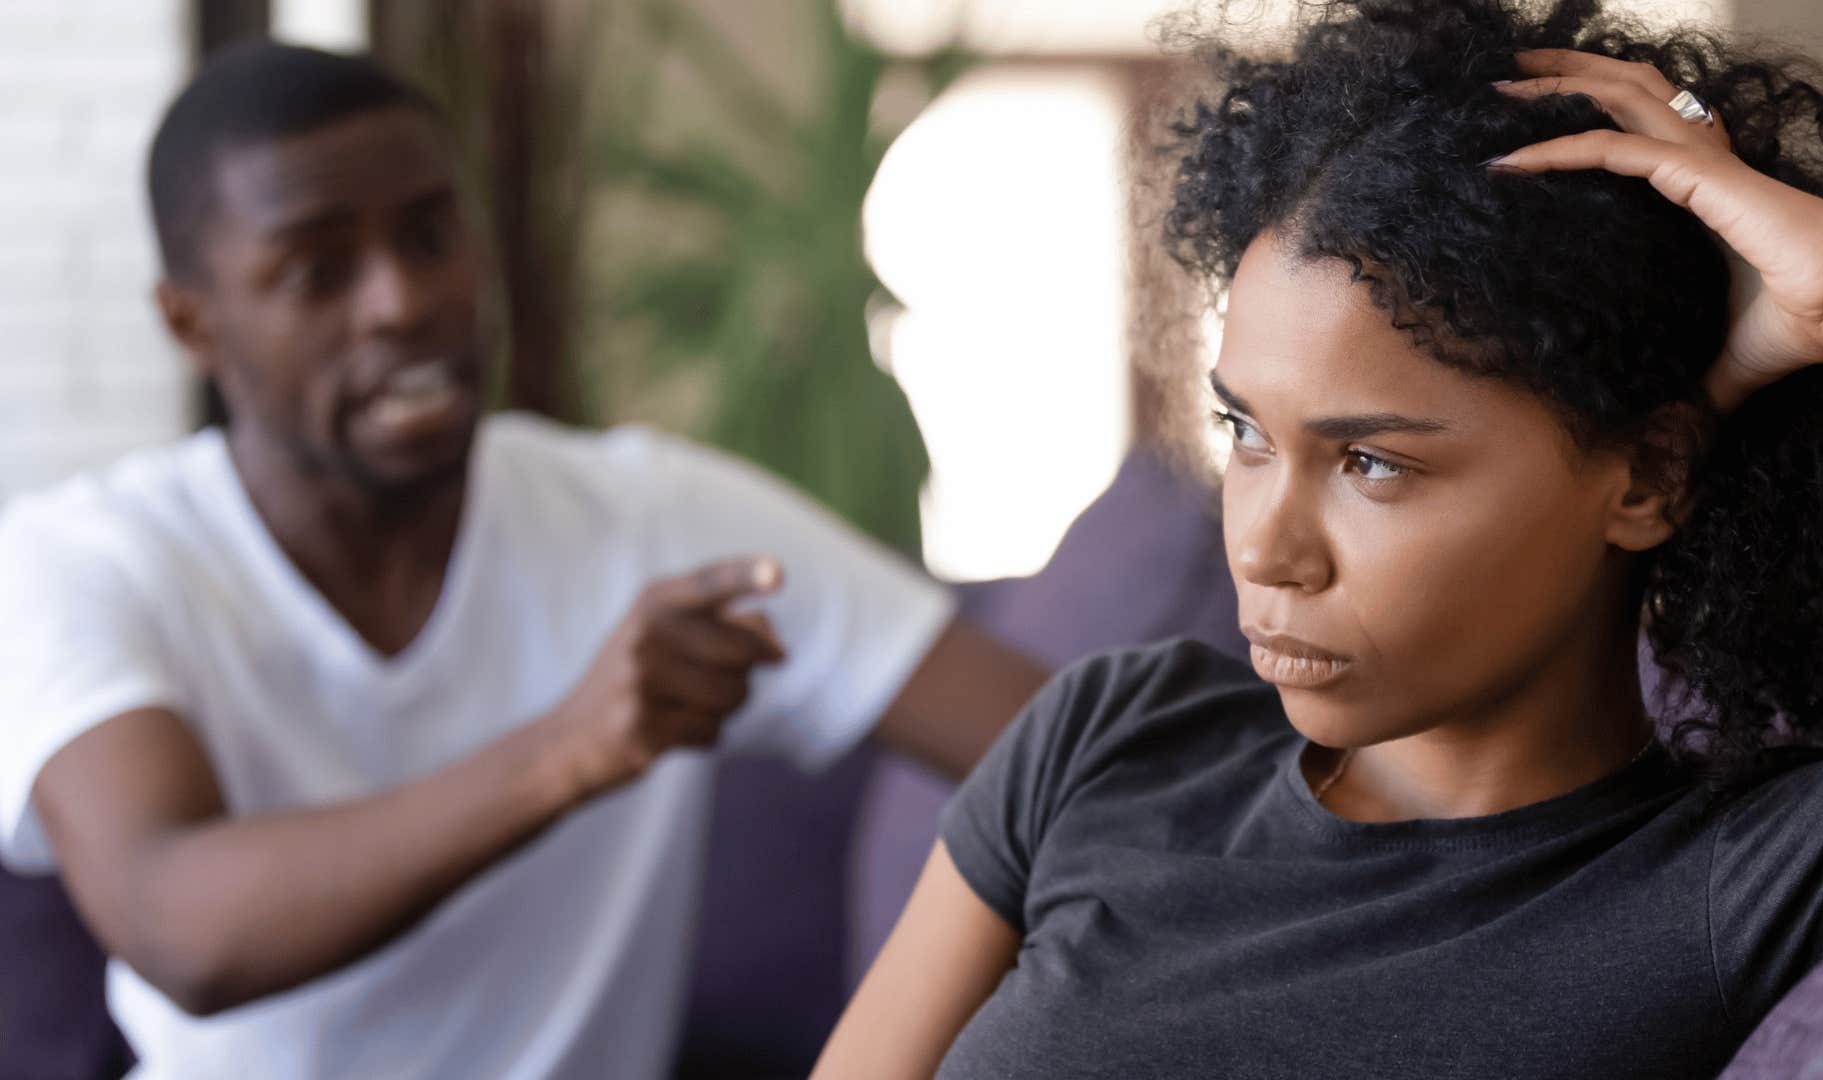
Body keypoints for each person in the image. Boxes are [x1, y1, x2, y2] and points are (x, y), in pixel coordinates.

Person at [812, 1, 1823, 1076]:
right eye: (1246, 433)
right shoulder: (1106, 742)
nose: (1265, 553)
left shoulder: (1774, 870)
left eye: (1372, 463)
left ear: (1649, 476)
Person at [0, 41, 1045, 1079]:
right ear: (191, 322)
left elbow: (1066, 754)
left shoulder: (653, 517)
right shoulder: (85, 560)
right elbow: (176, 924)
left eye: (431, 236)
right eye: (319, 270)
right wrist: (571, 748)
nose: (400, 301)